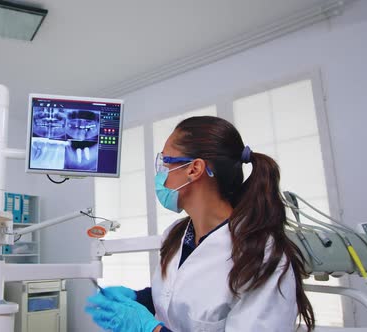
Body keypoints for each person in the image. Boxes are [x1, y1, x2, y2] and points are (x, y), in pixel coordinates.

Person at [85, 116, 315, 331]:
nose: (161, 173)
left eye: (165, 161)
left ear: (194, 169)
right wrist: (139, 298)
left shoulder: (260, 255)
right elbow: (179, 300)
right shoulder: (176, 235)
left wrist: (150, 329)